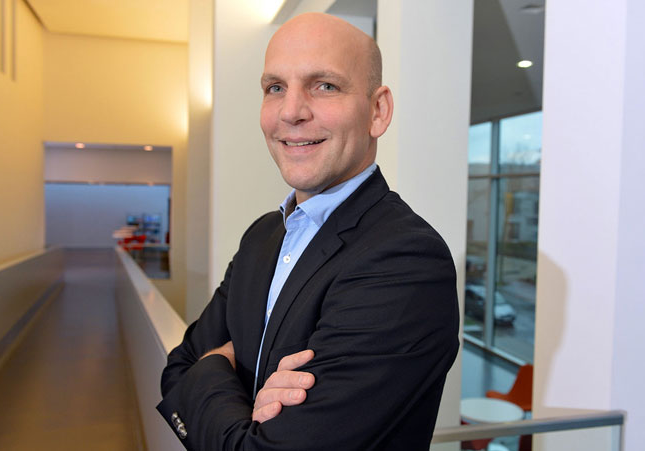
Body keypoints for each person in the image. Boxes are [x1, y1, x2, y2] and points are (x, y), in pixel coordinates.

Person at [157, 12, 459, 450]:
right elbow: (175, 370)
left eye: (325, 85)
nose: (291, 111)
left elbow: (210, 393)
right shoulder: (263, 236)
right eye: (275, 87)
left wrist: (212, 368)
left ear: (378, 111)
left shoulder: (405, 259)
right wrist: (235, 394)